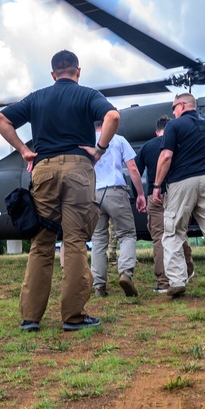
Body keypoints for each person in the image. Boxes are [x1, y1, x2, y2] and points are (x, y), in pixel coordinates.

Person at [0, 50, 119, 332]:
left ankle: (30, 318)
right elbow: (112, 116)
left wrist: (24, 150)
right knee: (74, 241)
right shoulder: (87, 95)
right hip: (78, 169)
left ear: (53, 75)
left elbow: (1, 119)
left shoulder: (37, 97)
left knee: (42, 242)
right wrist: (99, 150)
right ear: (78, 71)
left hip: (44, 169)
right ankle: (73, 317)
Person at [152, 94, 205, 298]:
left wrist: (156, 185)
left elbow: (166, 156)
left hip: (182, 182)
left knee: (173, 233)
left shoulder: (174, 126)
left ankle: (177, 281)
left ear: (182, 105)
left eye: (174, 108)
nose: (173, 112)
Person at [135, 116, 195, 293]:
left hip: (156, 195)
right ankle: (187, 271)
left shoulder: (147, 146)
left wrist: (139, 194)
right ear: (171, 129)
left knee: (159, 238)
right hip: (178, 193)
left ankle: (164, 282)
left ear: (156, 131)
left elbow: (136, 172)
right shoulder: (180, 144)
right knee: (179, 232)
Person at [91, 120, 146, 298]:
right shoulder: (119, 140)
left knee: (98, 240)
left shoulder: (85, 140)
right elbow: (132, 168)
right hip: (114, 191)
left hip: (92, 194)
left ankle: (99, 285)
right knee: (127, 234)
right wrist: (140, 194)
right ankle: (125, 273)